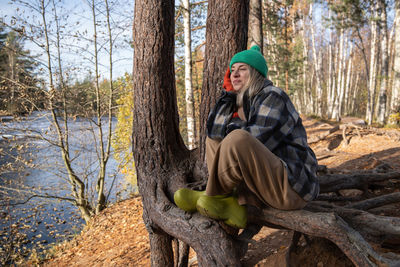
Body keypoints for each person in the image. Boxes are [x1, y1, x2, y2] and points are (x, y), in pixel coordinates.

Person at [174, 45, 319, 229]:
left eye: (242, 69)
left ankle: (212, 195)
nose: (234, 74)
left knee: (237, 138)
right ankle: (231, 203)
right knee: (214, 140)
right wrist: (228, 97)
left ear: (256, 74)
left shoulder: (274, 96)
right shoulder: (242, 102)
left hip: (291, 188)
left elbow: (256, 139)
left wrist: (234, 126)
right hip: (265, 185)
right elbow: (214, 132)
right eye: (232, 70)